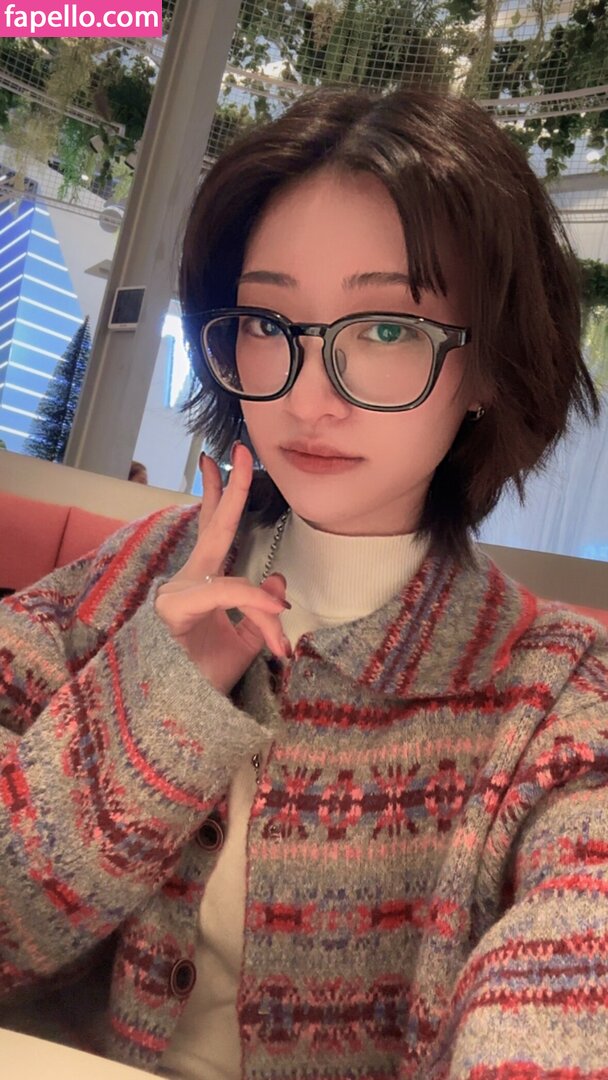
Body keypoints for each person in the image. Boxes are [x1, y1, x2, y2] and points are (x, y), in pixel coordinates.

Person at [0, 86, 607, 1080]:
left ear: (490, 365)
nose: (309, 396)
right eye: (267, 319)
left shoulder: (553, 702)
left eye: (386, 328)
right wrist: (156, 708)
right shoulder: (136, 576)